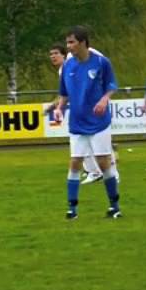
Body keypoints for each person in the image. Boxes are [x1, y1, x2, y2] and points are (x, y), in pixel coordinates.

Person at [52, 26, 121, 220]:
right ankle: (72, 209)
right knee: (75, 162)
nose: (69, 46)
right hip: (77, 121)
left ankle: (114, 206)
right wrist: (59, 108)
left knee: (103, 161)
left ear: (83, 42)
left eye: (72, 42)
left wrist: (104, 99)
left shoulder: (101, 62)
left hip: (99, 121)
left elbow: (112, 85)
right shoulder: (67, 66)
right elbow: (64, 94)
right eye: (67, 42)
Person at [47, 42, 113, 185]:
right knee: (83, 144)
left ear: (64, 54)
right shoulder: (65, 69)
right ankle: (94, 172)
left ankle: (111, 174)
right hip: (80, 111)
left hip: (95, 108)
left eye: (56, 54)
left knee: (102, 146)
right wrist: (56, 106)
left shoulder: (86, 59)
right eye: (51, 54)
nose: (53, 57)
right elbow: (66, 94)